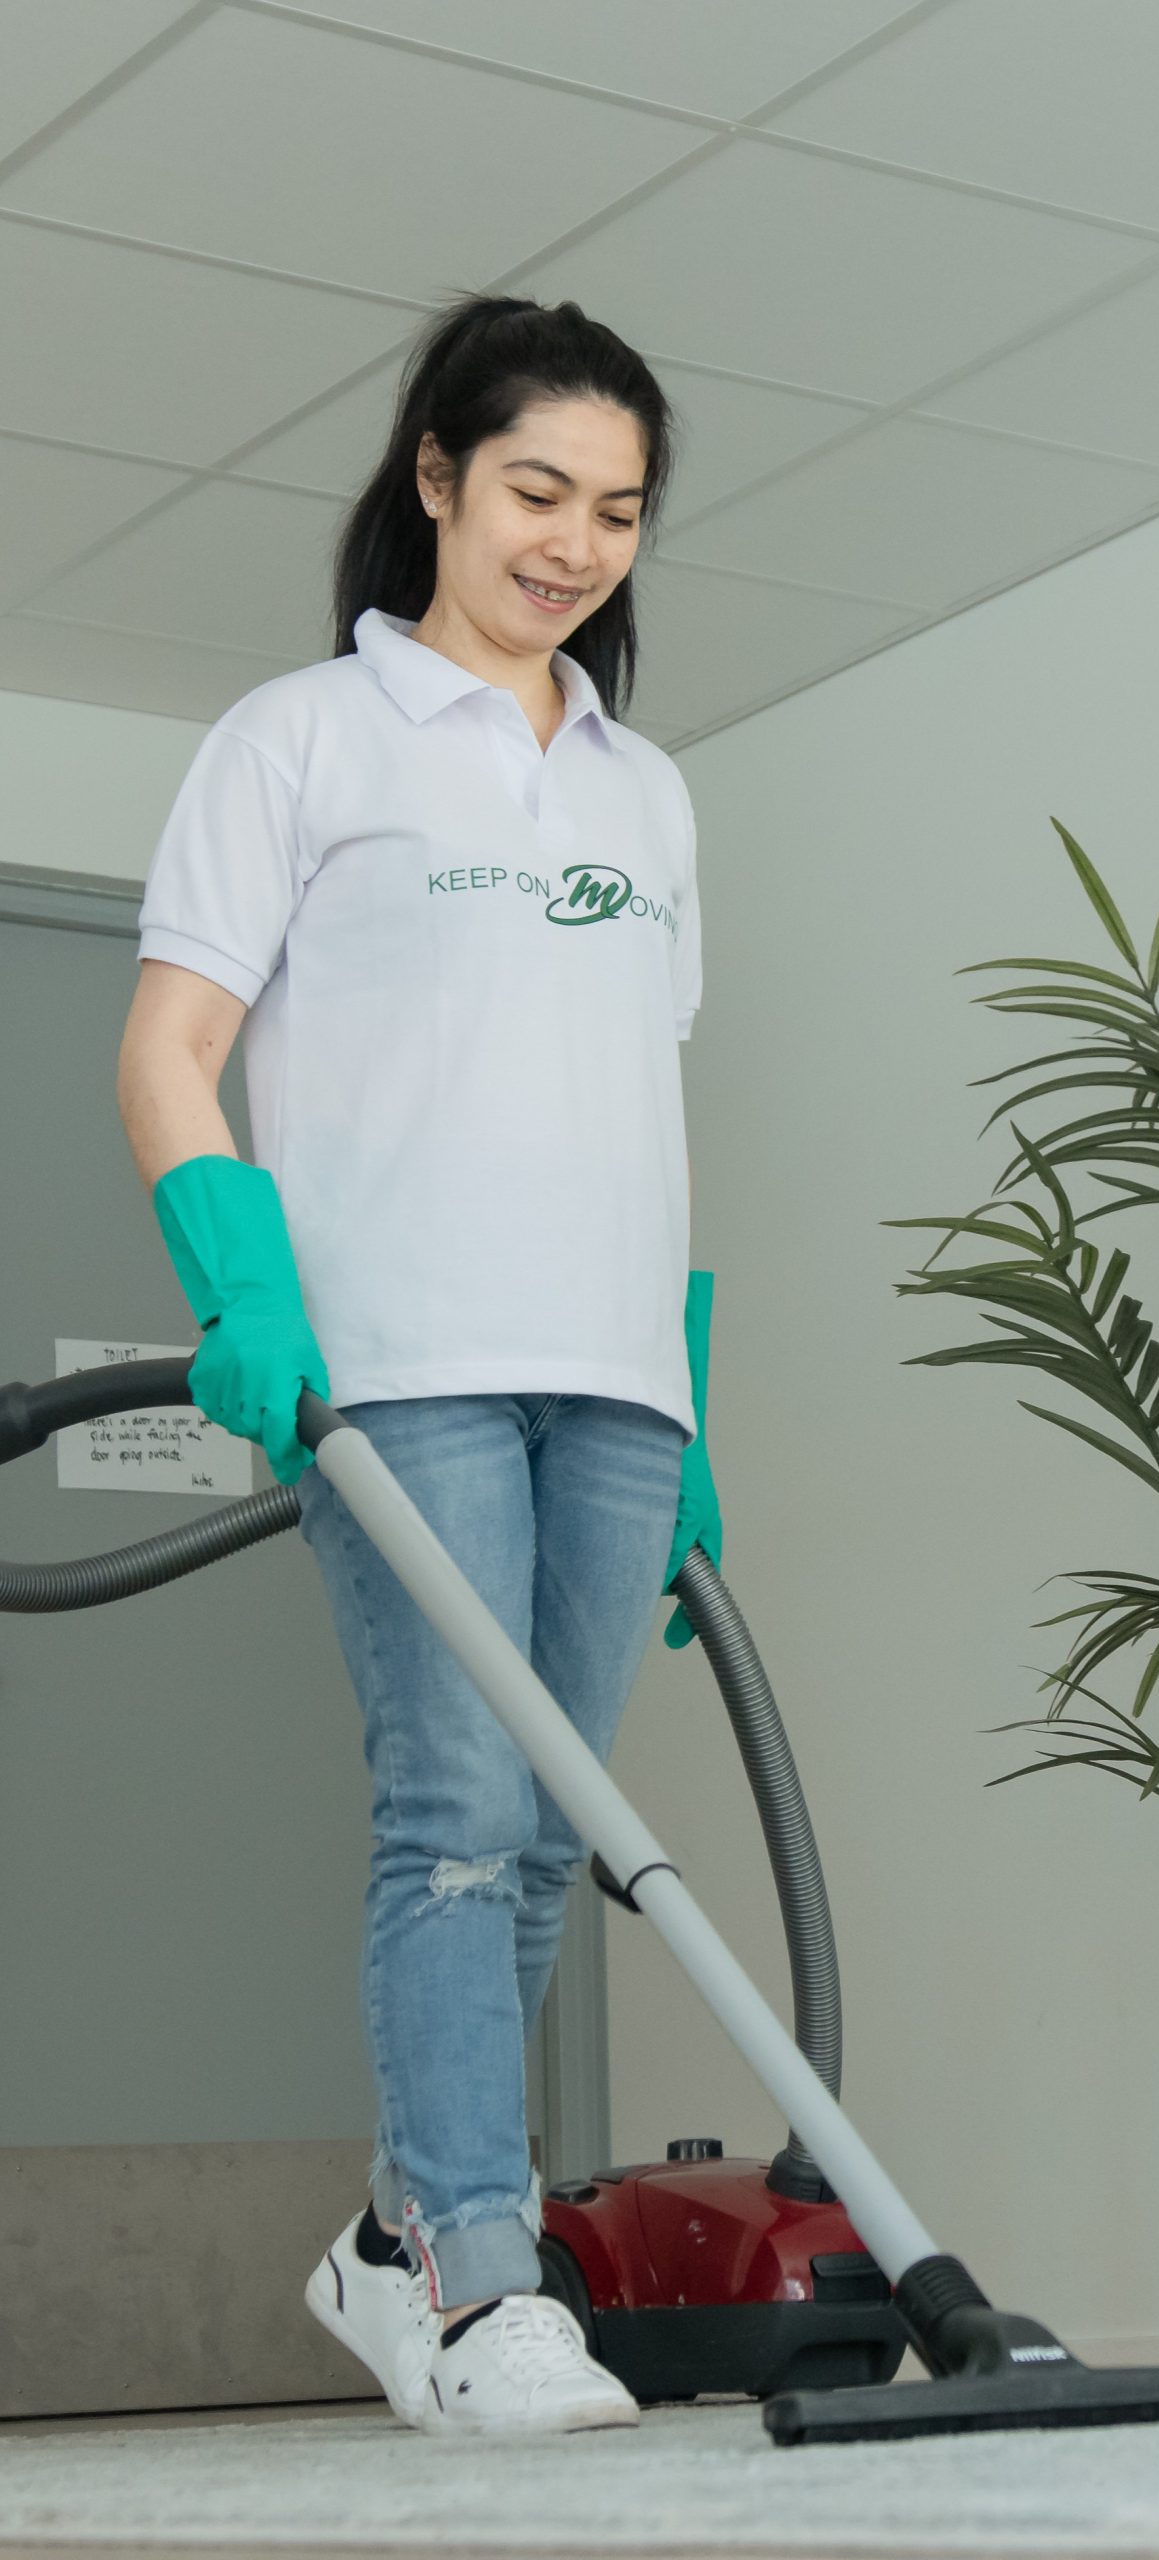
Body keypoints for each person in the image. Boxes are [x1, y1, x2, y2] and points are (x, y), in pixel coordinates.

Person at [114, 294, 722, 2439]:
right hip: (407, 1363)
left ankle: (393, 2228)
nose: (573, 541)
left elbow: (643, 1103)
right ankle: (480, 2276)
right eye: (537, 490)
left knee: (551, 1836)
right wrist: (242, 1286)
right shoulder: (302, 739)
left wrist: (692, 1383)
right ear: (439, 478)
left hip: (613, 1376)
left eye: (618, 511)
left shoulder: (647, 793)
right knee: (455, 1815)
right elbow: (172, 1048)